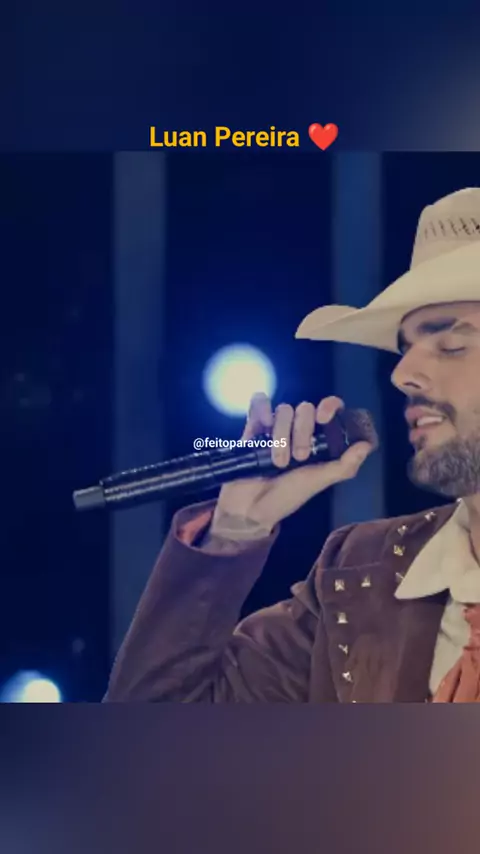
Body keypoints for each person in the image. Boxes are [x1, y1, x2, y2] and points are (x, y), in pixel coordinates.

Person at [104, 187, 480, 704]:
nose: (403, 374)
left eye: (451, 344)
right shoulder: (361, 575)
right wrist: (234, 530)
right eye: (404, 348)